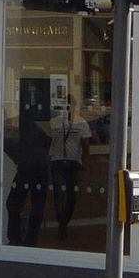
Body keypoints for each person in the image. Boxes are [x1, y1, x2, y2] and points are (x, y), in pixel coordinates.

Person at [45, 99, 92, 242]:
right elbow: (48, 143)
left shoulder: (81, 123)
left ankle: (64, 222)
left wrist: (85, 165)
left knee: (71, 196)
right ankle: (62, 224)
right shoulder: (54, 123)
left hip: (74, 162)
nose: (68, 108)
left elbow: (86, 146)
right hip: (57, 161)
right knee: (59, 195)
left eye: (71, 105)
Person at [3, 113, 50, 245]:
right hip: (34, 165)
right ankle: (25, 238)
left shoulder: (16, 127)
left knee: (18, 203)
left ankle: (19, 238)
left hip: (34, 165)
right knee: (30, 204)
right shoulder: (20, 125)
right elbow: (46, 140)